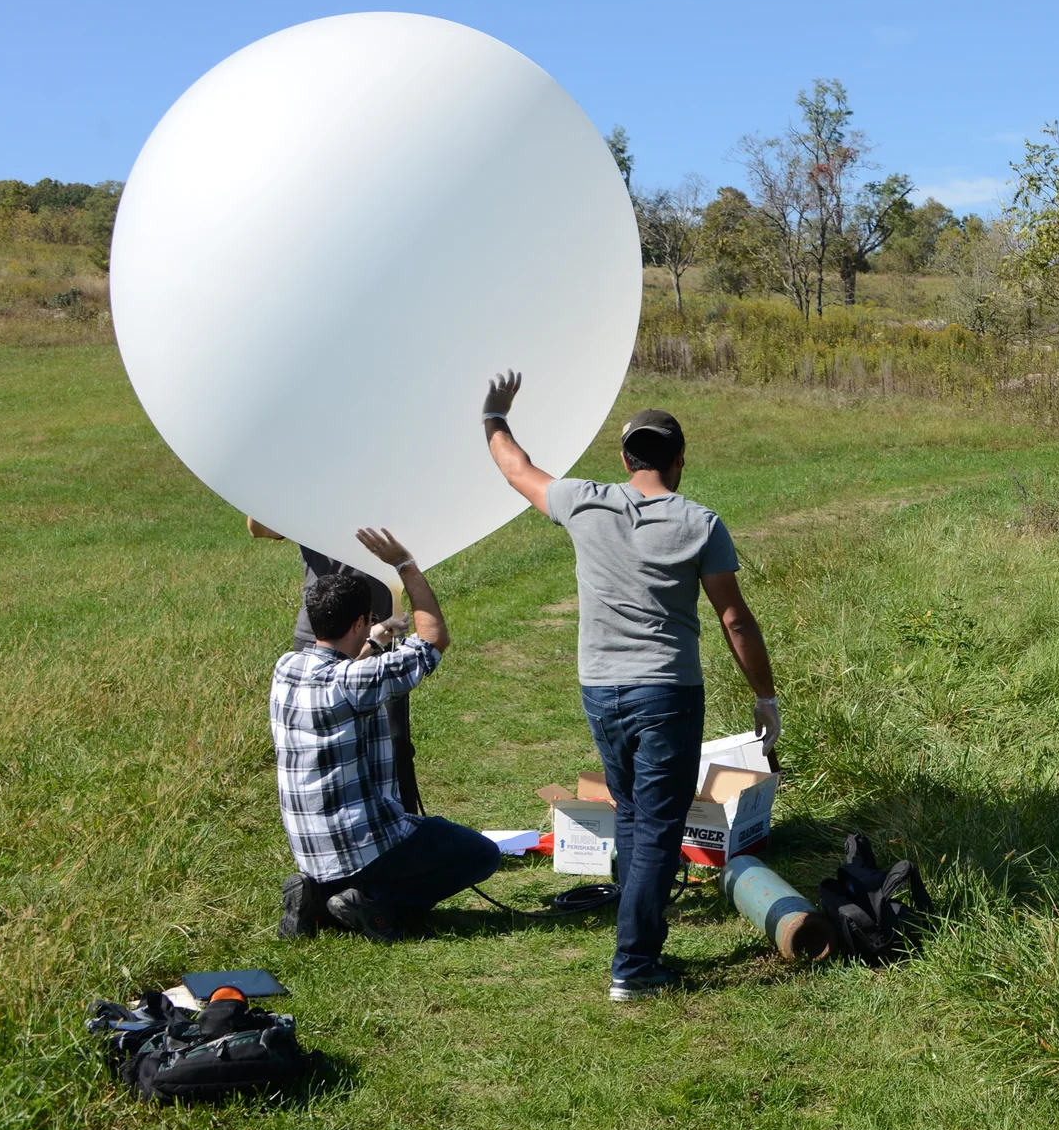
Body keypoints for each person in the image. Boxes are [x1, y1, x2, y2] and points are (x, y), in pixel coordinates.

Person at [479, 372, 780, 1002]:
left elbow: (516, 469)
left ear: (624, 459)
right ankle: (635, 965)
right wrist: (765, 697)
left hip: (600, 690)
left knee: (637, 816)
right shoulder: (701, 523)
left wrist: (494, 414)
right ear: (680, 459)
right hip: (667, 692)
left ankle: (636, 939)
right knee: (659, 830)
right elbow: (734, 619)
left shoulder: (584, 502)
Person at [272, 527, 500, 943]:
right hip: (362, 846)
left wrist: (373, 644)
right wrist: (404, 564)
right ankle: (375, 902)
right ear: (360, 621)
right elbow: (434, 640)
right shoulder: (353, 682)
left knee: (413, 843)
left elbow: (341, 671)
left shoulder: (286, 668)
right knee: (480, 855)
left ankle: (318, 897)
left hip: (312, 849)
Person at [247, 518, 423, 813]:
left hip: (378, 630)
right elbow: (259, 529)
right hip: (320, 637)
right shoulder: (310, 499)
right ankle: (333, 824)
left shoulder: (385, 498)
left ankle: (404, 823)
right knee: (325, 746)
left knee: (393, 743)